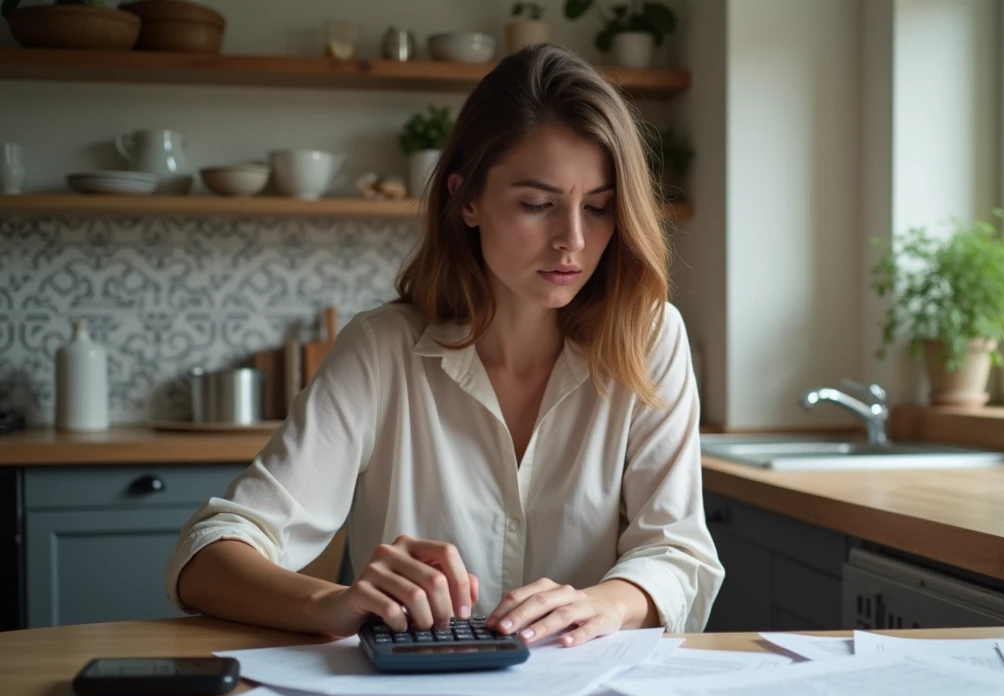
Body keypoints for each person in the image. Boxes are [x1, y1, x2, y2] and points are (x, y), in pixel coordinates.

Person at [166, 44, 723, 647]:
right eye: (537, 205)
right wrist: (334, 603)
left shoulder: (650, 336)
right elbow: (208, 557)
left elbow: (676, 553)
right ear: (469, 200)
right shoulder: (380, 351)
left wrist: (604, 606)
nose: (573, 240)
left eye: (599, 208)